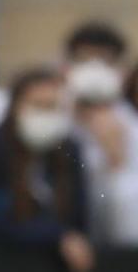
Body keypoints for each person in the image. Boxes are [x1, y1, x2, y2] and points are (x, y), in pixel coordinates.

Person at [0, 68, 93, 272]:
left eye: (52, 107)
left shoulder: (68, 150)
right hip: (0, 261)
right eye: (37, 105)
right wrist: (56, 236)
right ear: (15, 106)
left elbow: (79, 217)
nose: (45, 114)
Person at [60, 23, 138, 247]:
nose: (94, 70)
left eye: (105, 61)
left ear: (122, 70)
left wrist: (116, 162)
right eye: (83, 60)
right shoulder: (52, 116)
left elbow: (128, 230)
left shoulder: (130, 126)